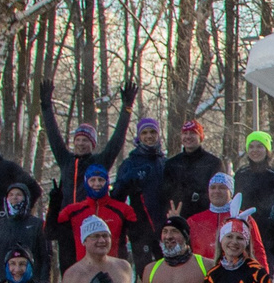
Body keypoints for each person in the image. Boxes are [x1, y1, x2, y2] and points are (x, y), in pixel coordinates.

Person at [36, 78, 133, 255]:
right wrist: (46, 106)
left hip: (90, 223)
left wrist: (126, 109)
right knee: (70, 271)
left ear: (93, 144)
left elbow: (117, 141)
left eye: (85, 140)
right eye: (78, 140)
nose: (80, 144)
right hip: (67, 223)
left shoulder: (99, 162)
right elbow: (53, 135)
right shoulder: (66, 159)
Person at [112, 116, 170, 271]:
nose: (149, 136)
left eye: (153, 132)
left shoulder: (165, 162)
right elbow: (117, 199)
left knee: (165, 271)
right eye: (144, 133)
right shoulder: (130, 163)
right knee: (144, 272)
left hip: (165, 228)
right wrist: (125, 182)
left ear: (158, 135)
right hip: (140, 228)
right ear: (139, 137)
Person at [60, 162, 144, 265]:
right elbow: (50, 232)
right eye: (92, 180)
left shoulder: (122, 209)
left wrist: (137, 200)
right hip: (84, 269)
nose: (97, 184)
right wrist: (54, 206)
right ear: (86, 182)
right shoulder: (73, 210)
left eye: (101, 180)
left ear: (107, 182)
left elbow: (139, 234)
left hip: (114, 267)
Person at [234, 131, 274, 265]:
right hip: (245, 234)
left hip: (269, 237)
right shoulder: (241, 174)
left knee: (265, 277)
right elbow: (234, 205)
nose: (255, 150)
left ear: (267, 150)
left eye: (260, 146)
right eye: (251, 146)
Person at [159, 118, 227, 225]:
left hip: (206, 221)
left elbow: (222, 194)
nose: (188, 137)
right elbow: (165, 194)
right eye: (185, 133)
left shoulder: (214, 163)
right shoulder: (172, 163)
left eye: (192, 133)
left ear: (200, 136)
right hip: (179, 220)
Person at [0, 182, 49, 282]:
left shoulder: (38, 225)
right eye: (11, 195)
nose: (14, 197)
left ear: (26, 199)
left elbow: (45, 259)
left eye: (18, 195)